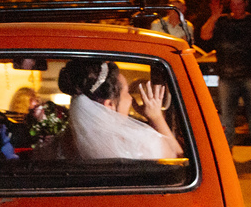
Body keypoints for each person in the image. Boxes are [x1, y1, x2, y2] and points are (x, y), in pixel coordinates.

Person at [41, 59, 182, 159]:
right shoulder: (139, 143)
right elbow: (177, 159)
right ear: (109, 104)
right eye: (126, 93)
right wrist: (156, 117)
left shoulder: (57, 146)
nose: (130, 99)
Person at [199, 0, 251, 162]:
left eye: (240, 3)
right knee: (226, 114)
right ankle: (227, 149)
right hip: (226, 76)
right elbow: (204, 35)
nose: (236, 7)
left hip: (249, 75)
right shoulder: (222, 21)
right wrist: (214, 17)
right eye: (233, 4)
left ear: (246, 4)